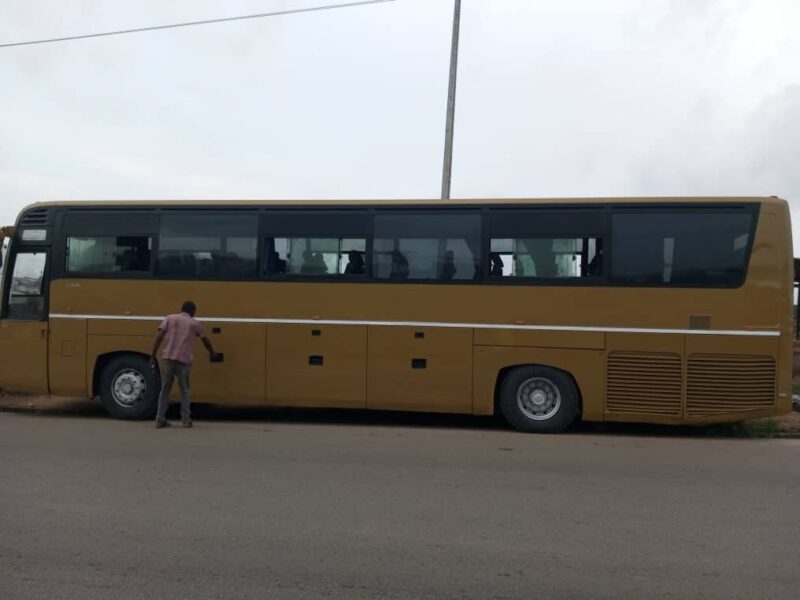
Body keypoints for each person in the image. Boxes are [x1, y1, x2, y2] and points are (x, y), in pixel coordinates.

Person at [150, 300, 218, 428]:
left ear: (181, 309)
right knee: (185, 390)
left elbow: (159, 337)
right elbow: (205, 340)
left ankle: (160, 419)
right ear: (193, 311)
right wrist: (212, 352)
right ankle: (186, 419)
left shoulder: (169, 318)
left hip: (167, 359)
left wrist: (153, 355)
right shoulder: (194, 323)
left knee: (165, 389)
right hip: (183, 361)